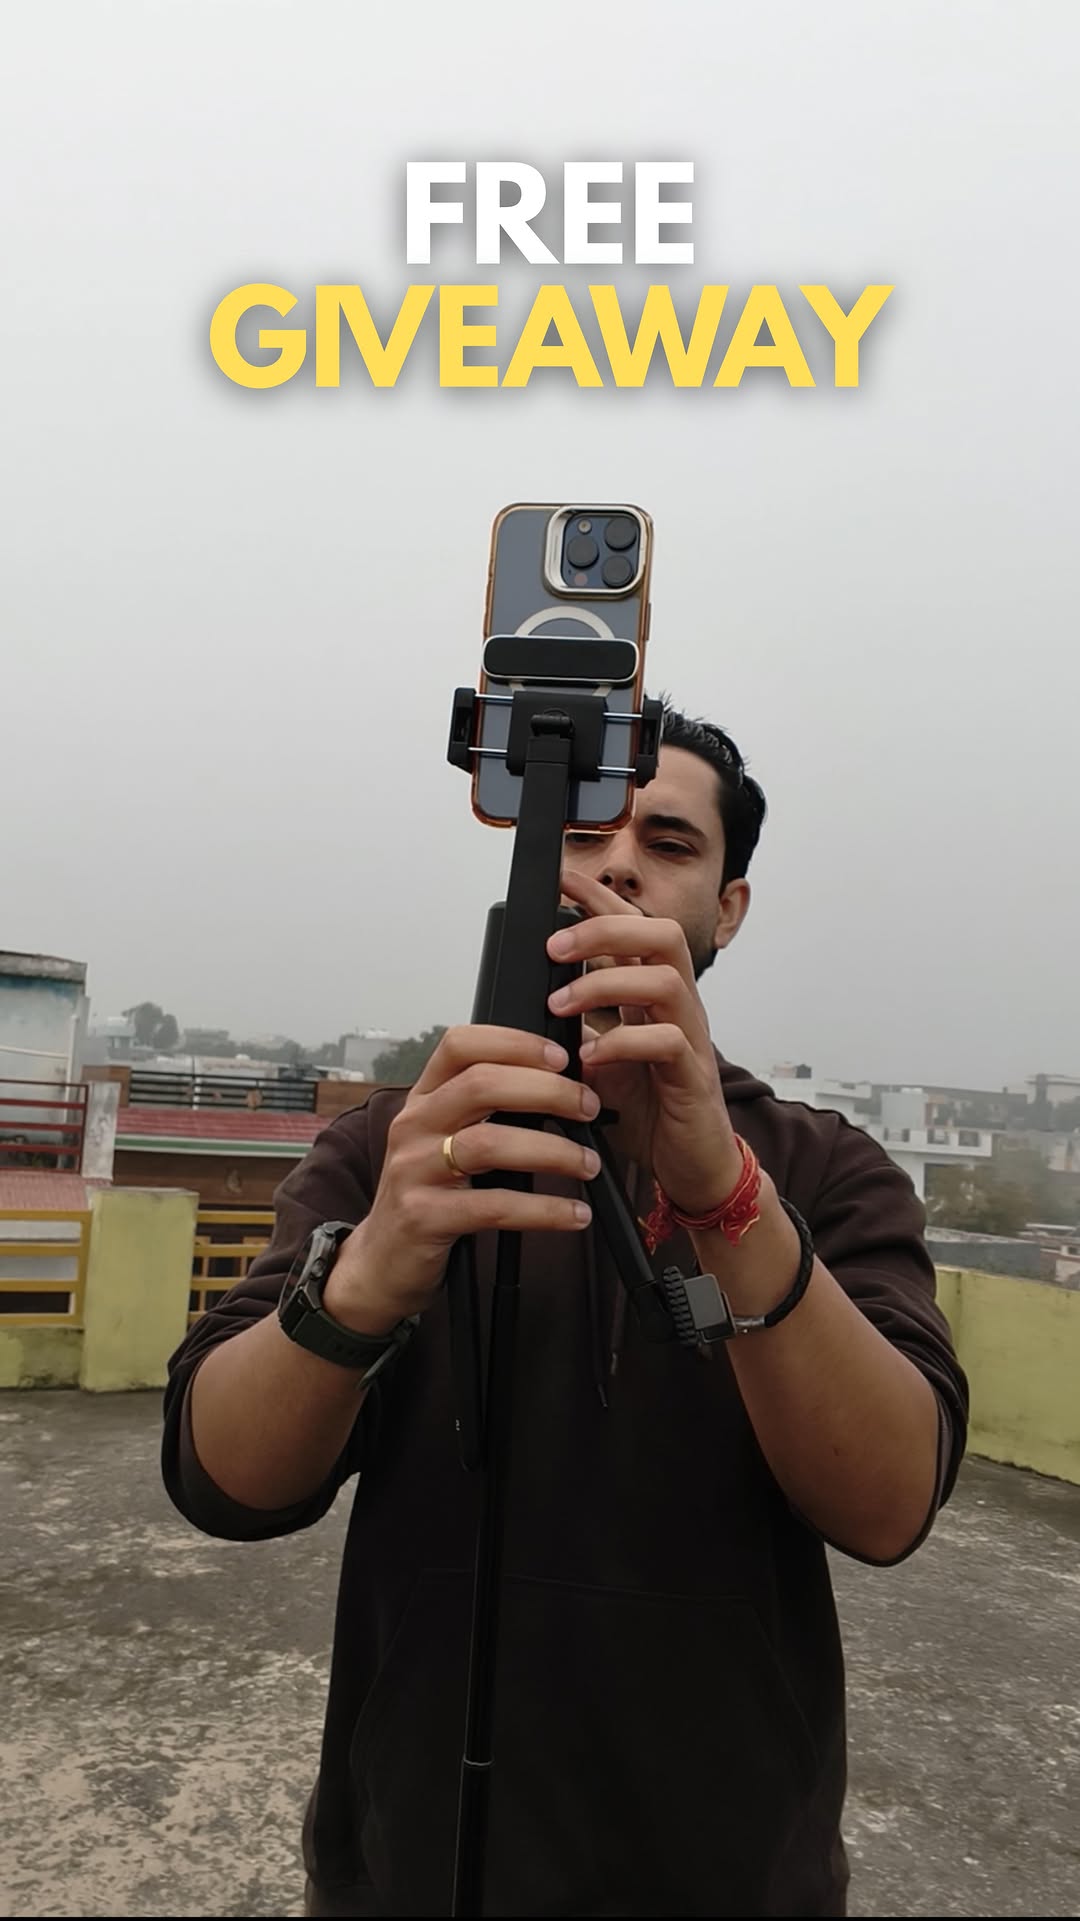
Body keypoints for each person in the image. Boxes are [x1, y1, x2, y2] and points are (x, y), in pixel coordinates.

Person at [162, 704, 968, 1919]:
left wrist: (726, 1196)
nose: (620, 862)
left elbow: (891, 1501)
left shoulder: (825, 1168)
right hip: (411, 1868)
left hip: (732, 1878)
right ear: (534, 858)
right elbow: (220, 1476)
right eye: (587, 829)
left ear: (729, 908)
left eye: (670, 841)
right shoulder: (396, 1144)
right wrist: (373, 1266)